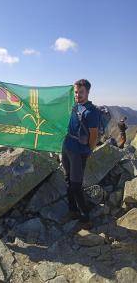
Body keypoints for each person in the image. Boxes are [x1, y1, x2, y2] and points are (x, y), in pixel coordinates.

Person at [62, 79, 99, 227]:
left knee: (76, 185)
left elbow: (94, 135)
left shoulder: (91, 112)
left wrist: (88, 151)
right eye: (76, 92)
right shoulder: (75, 106)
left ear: (88, 92)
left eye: (81, 92)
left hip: (78, 152)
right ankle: (72, 211)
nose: (77, 95)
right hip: (67, 148)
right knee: (68, 180)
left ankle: (86, 218)